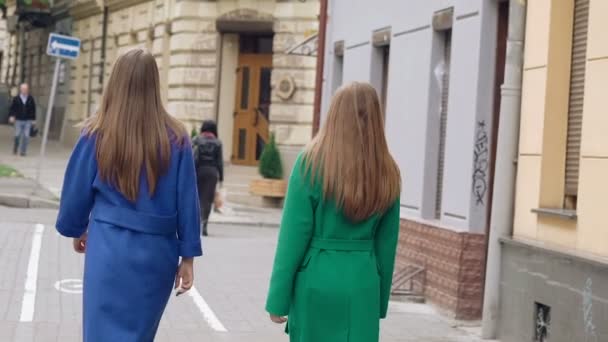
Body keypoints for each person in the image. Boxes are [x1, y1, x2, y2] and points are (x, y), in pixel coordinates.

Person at [55, 48, 202, 342]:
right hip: (156, 254)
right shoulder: (176, 137)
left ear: (115, 83)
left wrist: (77, 228)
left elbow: (75, 191)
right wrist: (188, 256)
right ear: (154, 85)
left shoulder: (97, 133)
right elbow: (188, 201)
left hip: (108, 248)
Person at [265, 82, 401, 342]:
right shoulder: (388, 171)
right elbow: (387, 246)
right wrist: (380, 300)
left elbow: (292, 238)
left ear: (334, 115)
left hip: (315, 278)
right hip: (363, 283)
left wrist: (278, 298)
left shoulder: (310, 164)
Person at [193, 120, 224, 236]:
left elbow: (191, 156)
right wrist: (221, 178)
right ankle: (204, 222)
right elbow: (220, 162)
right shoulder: (218, 143)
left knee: (197, 197)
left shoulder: (196, 140)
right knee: (208, 199)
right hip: (212, 172)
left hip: (198, 170)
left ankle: (196, 222)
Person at [9, 83, 36, 156]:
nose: (24, 90)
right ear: (20, 90)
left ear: (28, 90)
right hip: (18, 119)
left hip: (28, 120)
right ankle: (15, 147)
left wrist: (33, 120)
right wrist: (12, 116)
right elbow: (12, 108)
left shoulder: (31, 99)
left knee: (26, 136)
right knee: (17, 135)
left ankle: (23, 151)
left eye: (26, 89)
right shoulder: (16, 98)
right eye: (23, 89)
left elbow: (33, 109)